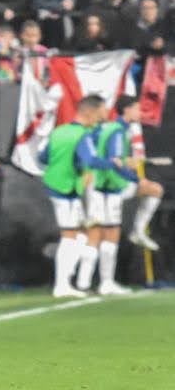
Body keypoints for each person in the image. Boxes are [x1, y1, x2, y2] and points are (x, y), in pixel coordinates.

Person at [40, 95, 124, 298]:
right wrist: (115, 164)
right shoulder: (82, 135)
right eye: (101, 110)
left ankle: (68, 278)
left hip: (57, 184)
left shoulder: (59, 131)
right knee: (70, 236)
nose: (103, 115)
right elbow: (91, 160)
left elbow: (42, 157)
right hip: (66, 189)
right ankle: (61, 285)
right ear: (89, 112)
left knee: (78, 236)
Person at [85, 96, 163, 293]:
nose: (140, 113)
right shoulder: (118, 131)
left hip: (104, 185)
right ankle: (103, 282)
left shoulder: (109, 128)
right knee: (106, 233)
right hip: (108, 186)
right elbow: (116, 163)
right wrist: (137, 179)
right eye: (137, 109)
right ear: (126, 110)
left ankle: (88, 282)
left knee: (154, 190)